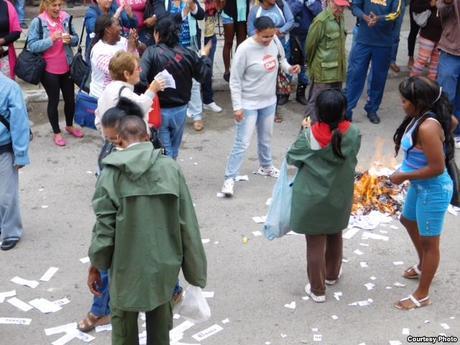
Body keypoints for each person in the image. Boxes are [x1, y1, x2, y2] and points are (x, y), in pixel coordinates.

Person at [88, 114, 207, 344]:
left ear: (119, 141)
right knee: (160, 332)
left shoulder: (110, 175)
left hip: (124, 270)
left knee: (123, 331)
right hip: (163, 268)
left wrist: (96, 266)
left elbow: (104, 230)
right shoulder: (171, 169)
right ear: (148, 136)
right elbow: (188, 225)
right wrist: (195, 274)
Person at [286, 89, 361, 302]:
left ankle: (317, 290)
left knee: (315, 242)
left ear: (317, 111)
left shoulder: (309, 135)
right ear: (344, 111)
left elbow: (292, 158)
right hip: (339, 194)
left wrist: (303, 131)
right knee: (335, 232)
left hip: (312, 197)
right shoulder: (353, 133)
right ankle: (332, 275)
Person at [390, 77, 455, 310]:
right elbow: (452, 122)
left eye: (405, 100)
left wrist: (404, 176)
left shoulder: (428, 127)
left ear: (419, 102)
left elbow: (437, 168)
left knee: (430, 243)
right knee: (407, 220)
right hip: (421, 186)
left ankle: (422, 294)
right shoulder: (422, 118)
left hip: (433, 190)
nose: (402, 103)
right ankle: (422, 265)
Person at [221, 16, 300, 197]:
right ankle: (229, 178)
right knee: (242, 143)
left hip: (269, 101)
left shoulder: (275, 42)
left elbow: (282, 61)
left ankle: (266, 166)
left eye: (271, 36)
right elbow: (235, 80)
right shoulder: (244, 49)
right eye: (265, 37)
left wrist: (290, 69)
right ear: (256, 32)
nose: (268, 40)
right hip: (248, 103)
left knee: (266, 138)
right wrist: (237, 107)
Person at [139, 14, 212, 159]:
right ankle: (171, 175)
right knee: (172, 150)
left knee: (165, 152)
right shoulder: (188, 54)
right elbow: (203, 75)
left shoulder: (151, 52)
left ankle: (168, 176)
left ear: (157, 34)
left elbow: (140, 79)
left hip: (159, 110)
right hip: (181, 110)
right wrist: (204, 57)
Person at [28, 0, 83, 147]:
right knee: (53, 100)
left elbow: (76, 39)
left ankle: (69, 125)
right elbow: (31, 46)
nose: (58, 8)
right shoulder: (38, 21)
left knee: (70, 99)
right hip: (48, 69)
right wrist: (51, 39)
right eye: (54, 5)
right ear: (46, 5)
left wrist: (70, 39)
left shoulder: (66, 17)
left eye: (60, 5)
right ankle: (56, 132)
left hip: (67, 66)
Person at [346, 0, 402, 124]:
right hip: (363, 41)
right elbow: (354, 7)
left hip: (383, 43)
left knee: (378, 78)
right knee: (355, 75)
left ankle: (372, 109)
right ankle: (347, 110)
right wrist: (365, 17)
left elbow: (396, 13)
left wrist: (379, 18)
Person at [95, 51, 165, 132]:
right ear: (127, 74)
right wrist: (152, 90)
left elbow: (98, 120)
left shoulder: (108, 89)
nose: (141, 70)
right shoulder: (124, 93)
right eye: (137, 68)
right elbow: (140, 108)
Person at [305, 0, 348, 123]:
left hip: (337, 71)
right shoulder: (321, 21)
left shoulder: (341, 18)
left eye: (343, 7)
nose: (340, 9)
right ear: (330, 2)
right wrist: (314, 67)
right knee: (315, 103)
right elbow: (310, 46)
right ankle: (307, 133)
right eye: (337, 6)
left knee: (335, 104)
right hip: (323, 72)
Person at [0, 73, 30, 251]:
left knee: (7, 194)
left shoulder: (10, 88)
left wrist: (20, 155)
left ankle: (11, 231)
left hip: (4, 149)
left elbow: (19, 124)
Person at [247, 0, 294, 106]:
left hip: (282, 44)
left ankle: (279, 99)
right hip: (263, 50)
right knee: (266, 76)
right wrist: (267, 35)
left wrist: (280, 31)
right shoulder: (255, 11)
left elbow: (290, 21)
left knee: (281, 73)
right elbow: (250, 31)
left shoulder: (281, 4)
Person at [89, 15, 140, 99]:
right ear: (108, 30)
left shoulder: (122, 41)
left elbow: (137, 62)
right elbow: (123, 73)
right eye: (117, 25)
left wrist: (136, 44)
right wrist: (131, 49)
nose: (121, 28)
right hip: (105, 98)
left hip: (123, 94)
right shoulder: (99, 52)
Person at [285, 0, 322, 105]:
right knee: (289, 61)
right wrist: (299, 2)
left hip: (308, 34)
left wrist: (311, 3)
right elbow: (288, 13)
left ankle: (300, 93)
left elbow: (320, 13)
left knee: (305, 64)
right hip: (290, 33)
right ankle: (284, 93)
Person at [437, 0, 460, 149]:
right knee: (445, 96)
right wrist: (447, 3)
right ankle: (438, 133)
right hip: (450, 51)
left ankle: (457, 132)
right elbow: (440, 10)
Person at [216, 0, 250, 82]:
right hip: (228, 11)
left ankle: (238, 70)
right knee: (228, 42)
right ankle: (227, 71)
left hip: (243, 11)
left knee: (241, 45)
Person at [409, 0, 442, 81]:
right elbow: (414, 7)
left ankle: (431, 85)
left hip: (441, 36)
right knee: (422, 60)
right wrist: (430, 4)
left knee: (435, 62)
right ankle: (411, 82)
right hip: (427, 34)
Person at [201, 0, 224, 114]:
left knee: (207, 69)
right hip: (194, 38)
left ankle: (207, 100)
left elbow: (219, 8)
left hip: (210, 36)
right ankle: (189, 103)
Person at [0, 0, 21, 79]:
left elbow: (17, 32)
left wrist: (2, 41)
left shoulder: (7, 5)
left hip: (4, 57)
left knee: (6, 89)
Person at [407, 0, 420, 68]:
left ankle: (424, 57)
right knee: (413, 31)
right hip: (416, 6)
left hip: (430, 6)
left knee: (426, 33)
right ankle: (411, 57)